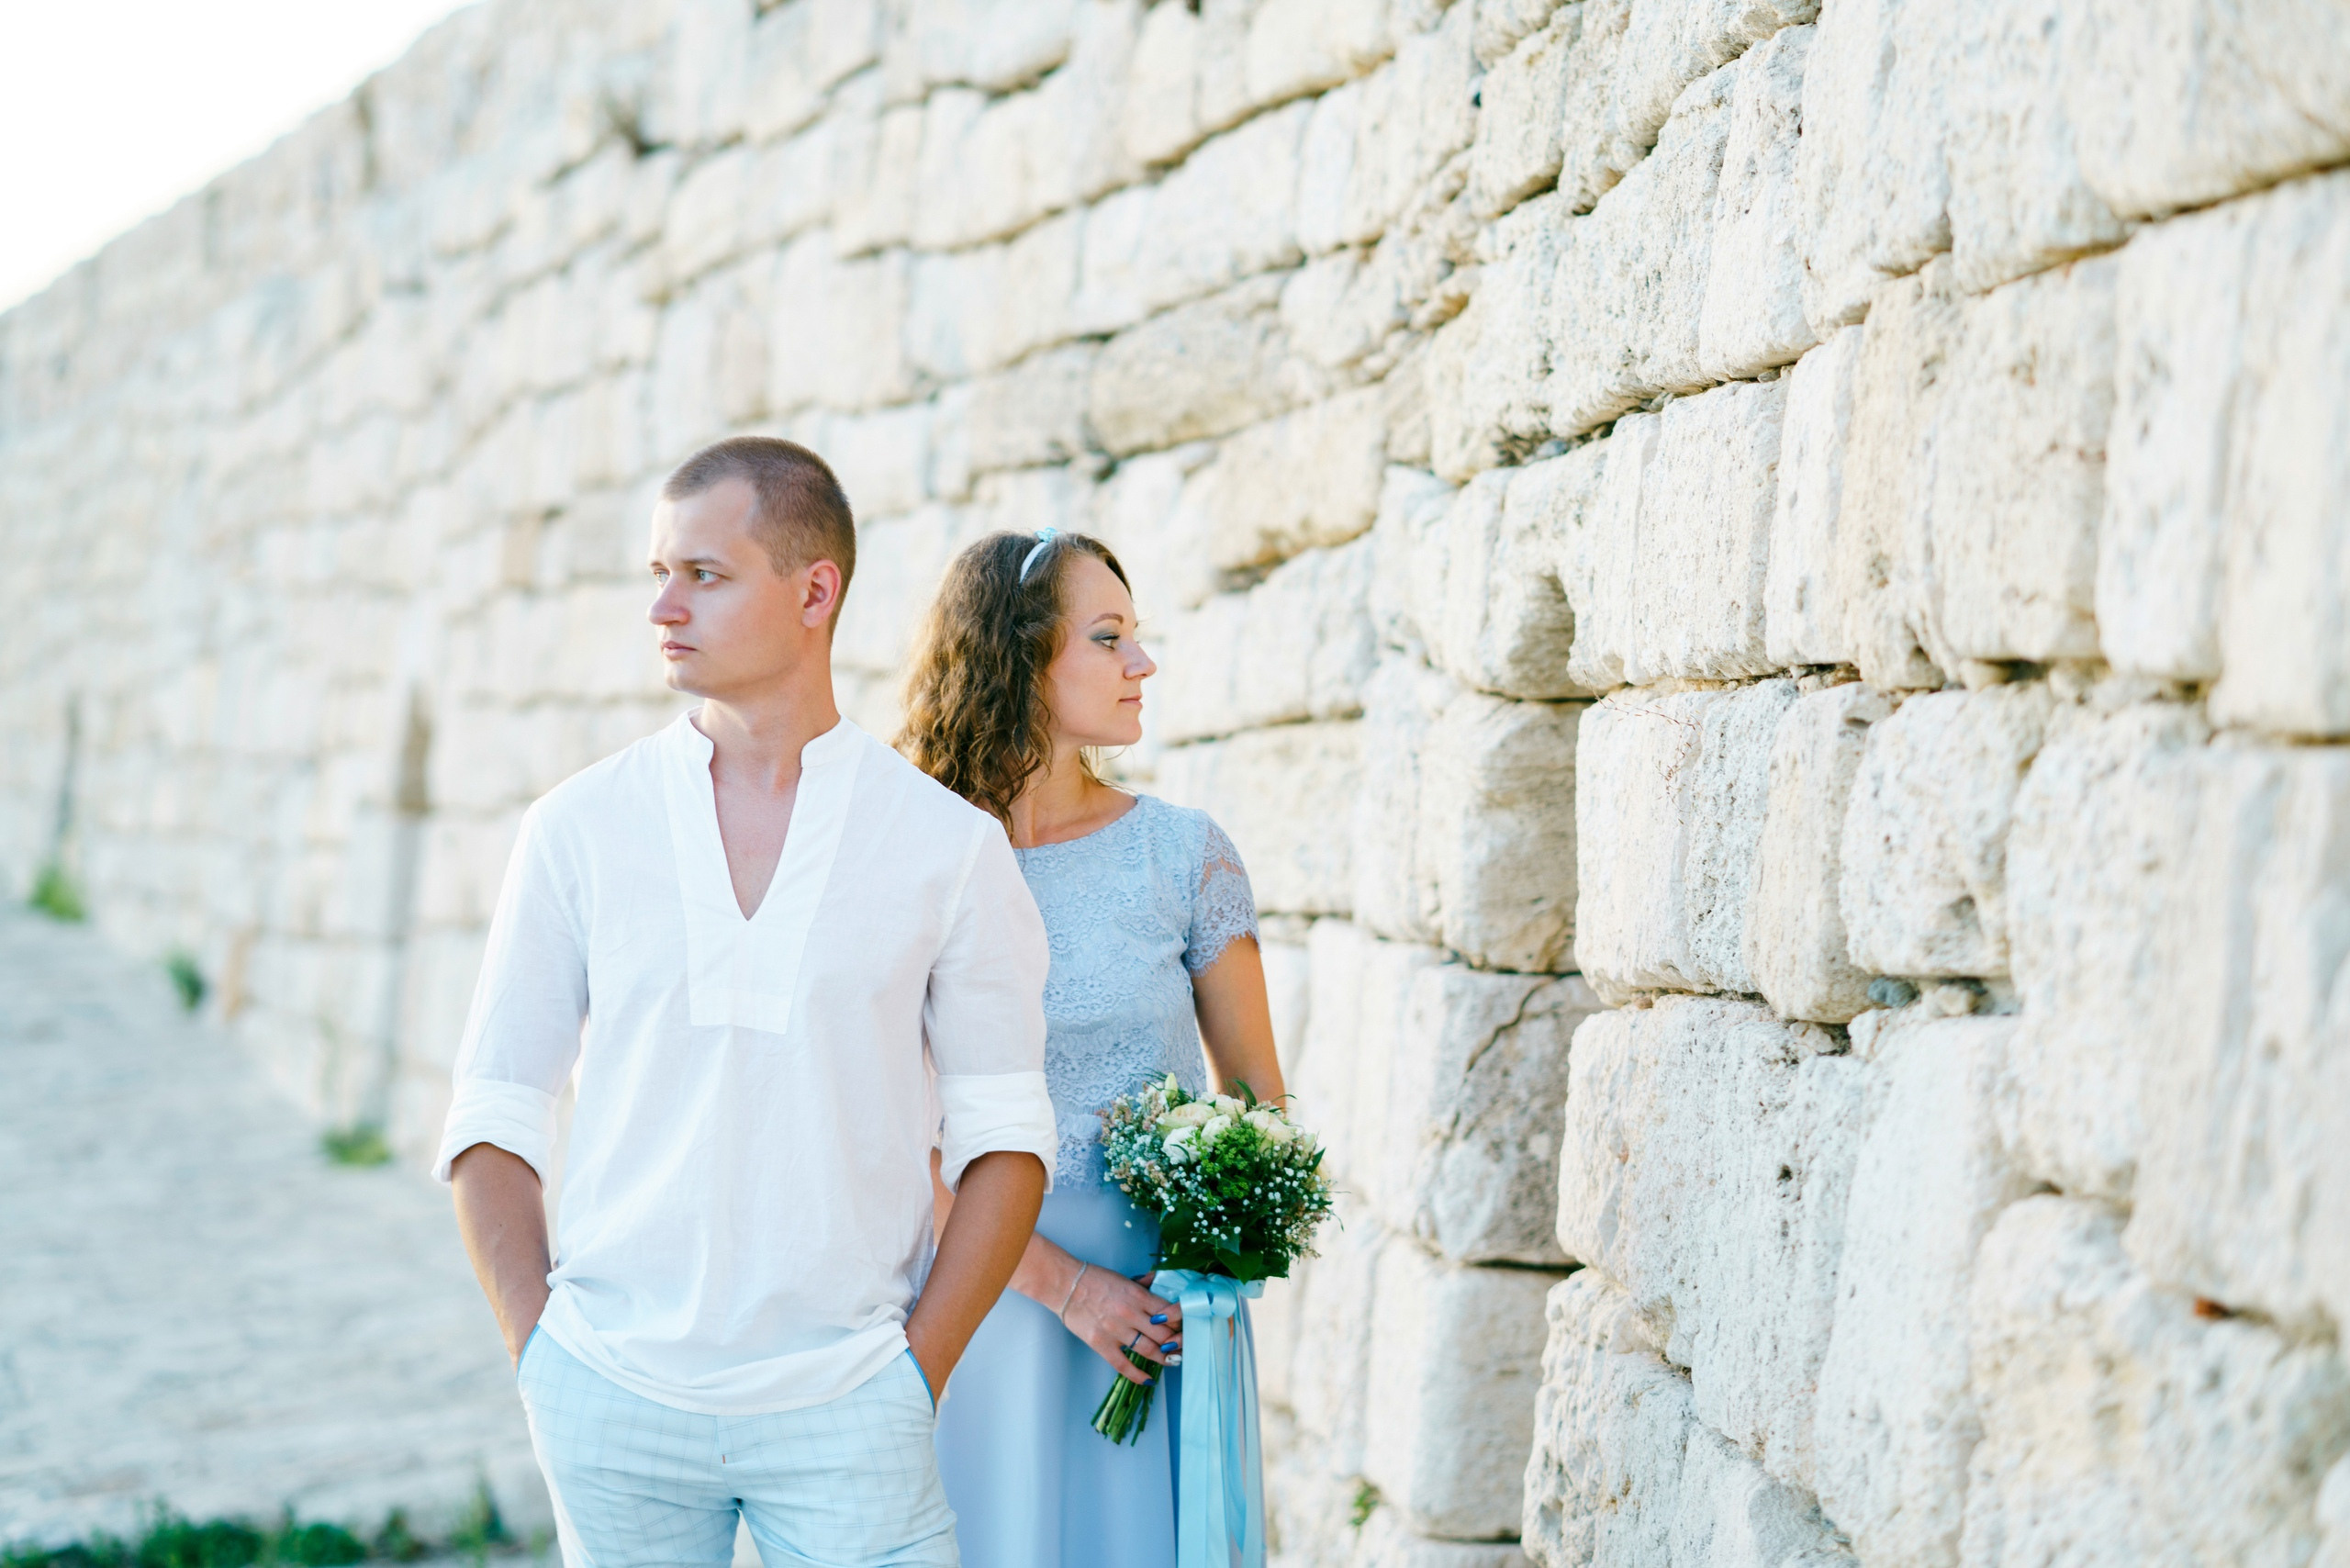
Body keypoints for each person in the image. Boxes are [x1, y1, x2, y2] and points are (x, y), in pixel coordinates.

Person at [437, 437, 1056, 1568]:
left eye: (703, 575)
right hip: (610, 1397)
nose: (663, 607)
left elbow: (1007, 1140)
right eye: (658, 574)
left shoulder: (947, 849)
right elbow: (492, 1110)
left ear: (814, 590)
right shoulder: (576, 828)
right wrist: (544, 1355)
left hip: (849, 1404)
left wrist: (914, 1372)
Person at [898, 528, 1286, 1568]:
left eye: (1137, 637)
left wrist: (1212, 1251)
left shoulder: (1183, 855)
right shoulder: (915, 864)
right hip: (979, 1302)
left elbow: (1261, 1110)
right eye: (1107, 638)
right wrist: (1066, 1288)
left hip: (1160, 1319)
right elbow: (891, 1135)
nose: (1141, 664)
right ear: (1017, 659)